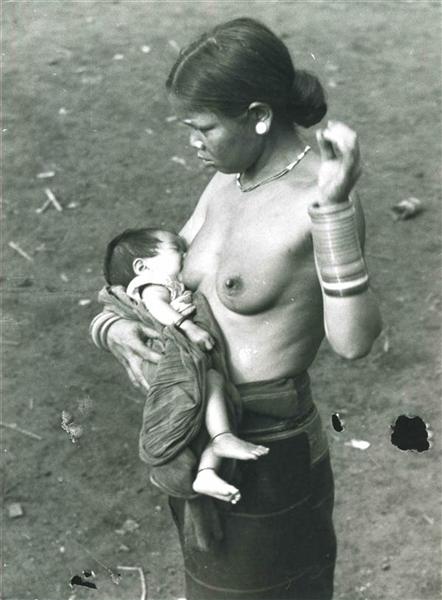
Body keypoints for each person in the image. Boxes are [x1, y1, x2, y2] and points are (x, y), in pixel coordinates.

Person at [90, 17, 382, 600]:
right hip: (196, 435)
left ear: (258, 115)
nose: (193, 143)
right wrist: (113, 325)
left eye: (203, 128)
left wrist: (334, 209)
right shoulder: (229, 181)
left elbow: (354, 342)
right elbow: (158, 279)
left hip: (267, 452)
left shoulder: (319, 199)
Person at [103, 226, 269, 505]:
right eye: (177, 248)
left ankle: (207, 471)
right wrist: (188, 327)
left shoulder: (169, 282)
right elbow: (157, 308)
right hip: (170, 355)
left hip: (187, 359)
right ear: (141, 267)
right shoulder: (152, 285)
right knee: (211, 389)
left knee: (213, 397)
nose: (186, 253)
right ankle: (220, 440)